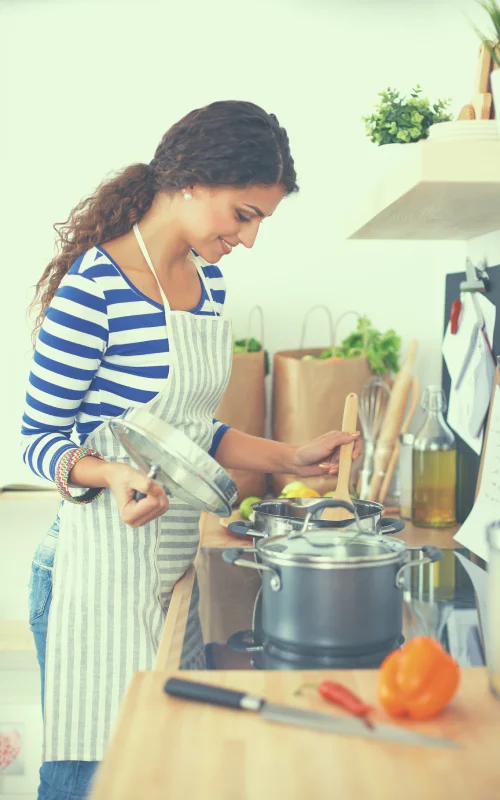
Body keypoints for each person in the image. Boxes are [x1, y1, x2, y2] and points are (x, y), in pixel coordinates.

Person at [22, 100, 362, 799]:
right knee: (91, 772)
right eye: (245, 215)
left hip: (166, 567)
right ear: (189, 182)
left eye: (261, 220)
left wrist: (292, 458)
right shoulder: (94, 290)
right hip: (92, 570)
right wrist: (111, 474)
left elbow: (190, 429)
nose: (250, 238)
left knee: (155, 769)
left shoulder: (206, 286)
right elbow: (36, 442)